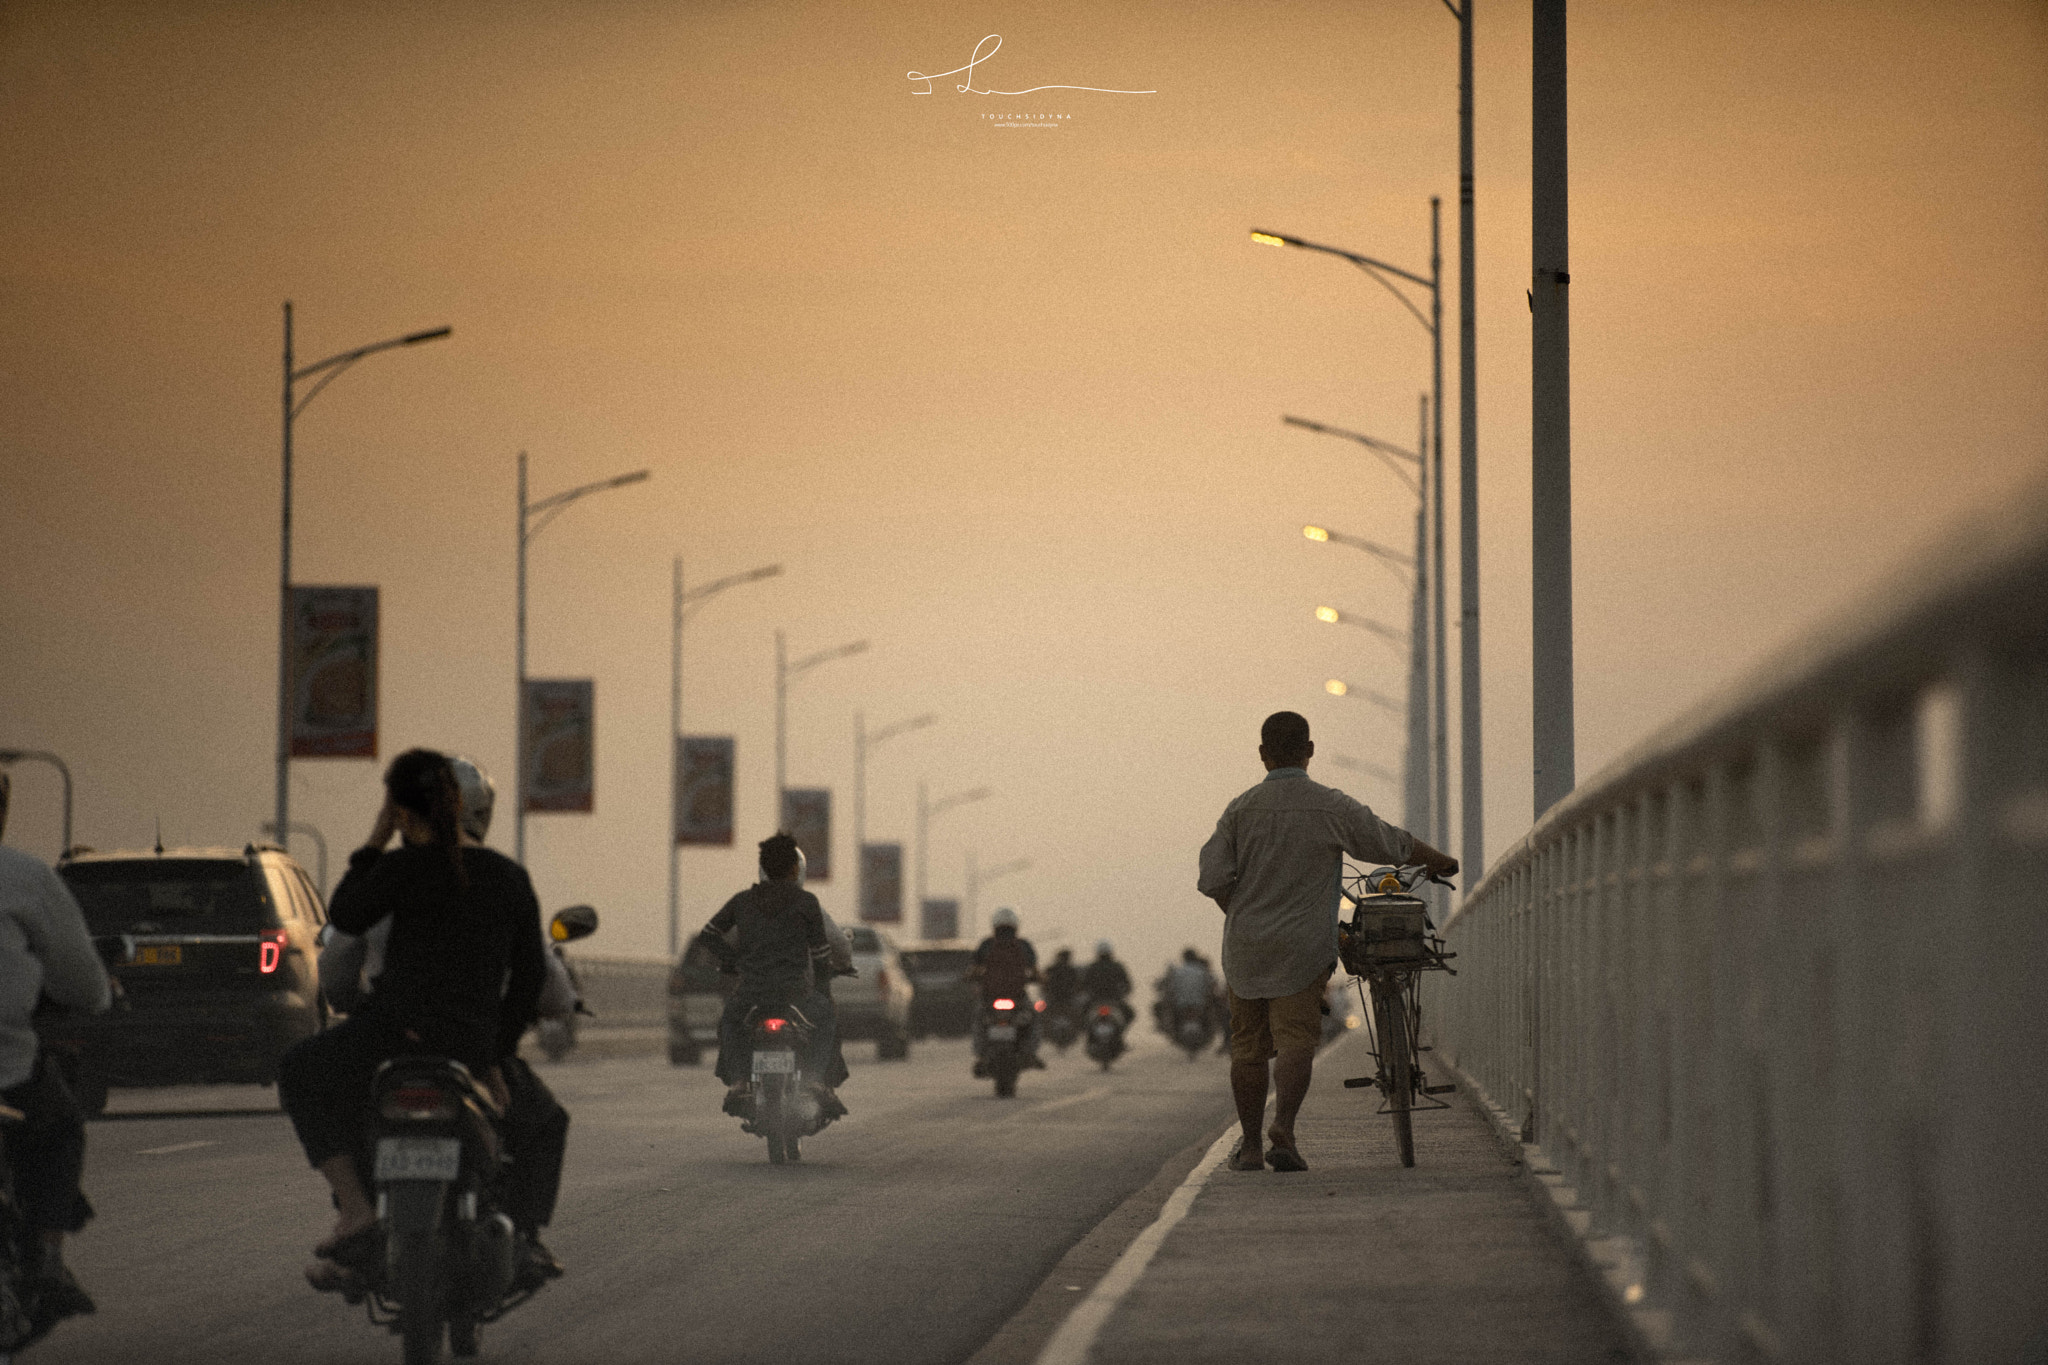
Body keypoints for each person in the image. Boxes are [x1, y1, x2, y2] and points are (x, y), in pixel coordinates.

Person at [281, 749, 547, 1291]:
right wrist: (497, 1052)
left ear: (400, 809)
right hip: (469, 1041)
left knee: (300, 1070)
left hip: (392, 1033)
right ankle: (525, 1238)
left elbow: (345, 916)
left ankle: (355, 1208)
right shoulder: (506, 876)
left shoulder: (399, 869)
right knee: (541, 1123)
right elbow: (530, 976)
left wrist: (376, 840)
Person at [1196, 711, 1456, 1173]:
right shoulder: (1330, 806)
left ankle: (1252, 1147)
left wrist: (1242, 912)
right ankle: (1285, 1131)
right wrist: (1442, 861)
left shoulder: (1240, 809)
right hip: (1303, 946)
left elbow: (1213, 877)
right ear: (1309, 750)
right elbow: (1389, 842)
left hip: (1247, 947)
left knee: (1248, 1049)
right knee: (1297, 1040)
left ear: (1262, 754)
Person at [0, 771, 110, 1332]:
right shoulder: (22, 876)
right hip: (8, 1072)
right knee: (61, 1127)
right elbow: (84, 985)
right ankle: (45, 1256)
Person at [698, 833, 844, 1116]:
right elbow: (821, 956)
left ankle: (740, 1083)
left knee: (730, 1022)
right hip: (796, 993)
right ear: (794, 869)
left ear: (763, 867)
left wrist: (734, 961)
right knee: (827, 1017)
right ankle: (814, 1080)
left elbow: (709, 935)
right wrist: (824, 990)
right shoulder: (806, 903)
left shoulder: (742, 901)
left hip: (752, 992)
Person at [967, 907, 1042, 1074]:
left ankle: (981, 1055)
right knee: (1034, 1018)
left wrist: (970, 978)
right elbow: (1035, 971)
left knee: (979, 1019)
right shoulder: (1024, 946)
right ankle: (1030, 1053)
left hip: (990, 998)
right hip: (1017, 998)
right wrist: (1039, 979)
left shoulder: (986, 945)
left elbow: (974, 971)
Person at [1079, 940, 1134, 1027]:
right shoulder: (1117, 966)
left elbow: (1084, 984)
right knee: (1130, 1014)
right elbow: (1127, 984)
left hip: (1097, 999)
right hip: (1113, 998)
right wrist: (1123, 993)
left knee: (1082, 1014)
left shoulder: (1093, 967)